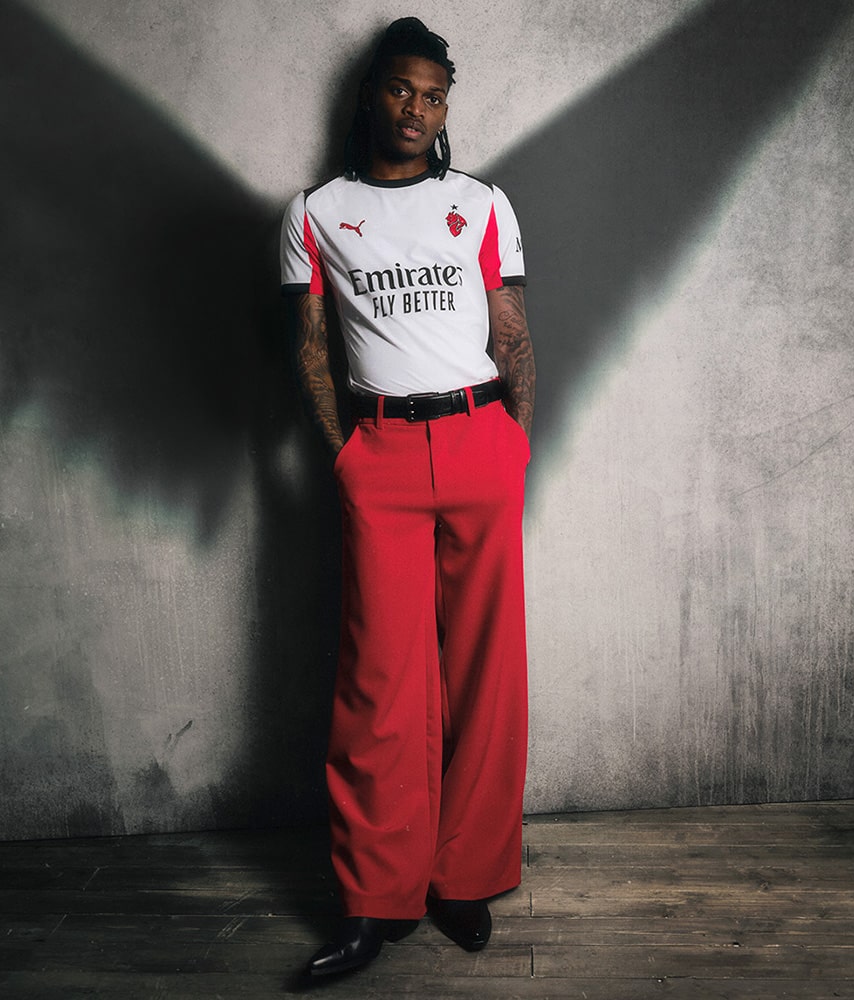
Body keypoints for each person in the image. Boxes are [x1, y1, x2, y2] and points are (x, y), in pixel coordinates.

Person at [280, 17, 535, 978]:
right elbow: (312, 350)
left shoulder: (482, 203)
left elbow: (512, 334)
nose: (416, 109)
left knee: (485, 669)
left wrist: (514, 444)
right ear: (371, 96)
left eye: (433, 96)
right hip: (380, 451)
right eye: (400, 89)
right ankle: (372, 899)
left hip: (479, 441)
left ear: (444, 108)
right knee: (379, 683)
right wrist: (345, 454)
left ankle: (463, 878)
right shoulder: (317, 210)